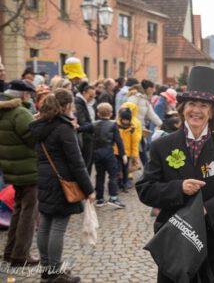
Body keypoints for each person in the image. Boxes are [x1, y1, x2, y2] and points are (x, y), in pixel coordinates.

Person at [136, 66, 214, 282]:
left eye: (203, 105)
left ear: (211, 112)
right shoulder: (163, 145)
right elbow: (145, 189)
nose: (196, 110)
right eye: (191, 104)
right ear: (182, 108)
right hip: (175, 242)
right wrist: (179, 188)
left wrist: (204, 210)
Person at [29, 89, 96, 283]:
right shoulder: (63, 128)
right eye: (72, 105)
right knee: (57, 227)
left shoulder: (40, 125)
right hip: (61, 181)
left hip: (44, 178)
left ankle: (47, 271)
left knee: (45, 225)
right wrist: (89, 189)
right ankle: (56, 272)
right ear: (66, 106)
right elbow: (76, 163)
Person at [0, 80, 39, 267]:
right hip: (28, 169)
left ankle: (10, 251)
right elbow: (33, 139)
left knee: (18, 208)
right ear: (23, 95)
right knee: (28, 213)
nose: (30, 97)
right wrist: (38, 123)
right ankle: (21, 254)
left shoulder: (4, 110)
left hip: (12, 167)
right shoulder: (21, 112)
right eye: (29, 94)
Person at [79, 103, 127, 208]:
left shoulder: (94, 124)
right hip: (109, 153)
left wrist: (74, 125)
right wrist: (123, 154)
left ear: (98, 114)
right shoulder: (113, 125)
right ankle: (113, 197)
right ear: (111, 114)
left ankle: (100, 199)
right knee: (113, 175)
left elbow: (82, 128)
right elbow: (119, 141)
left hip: (96, 154)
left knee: (99, 176)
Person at [115, 104, 142, 191]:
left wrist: (135, 155)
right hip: (116, 152)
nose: (125, 121)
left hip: (127, 153)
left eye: (127, 120)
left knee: (126, 169)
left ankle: (124, 183)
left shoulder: (132, 129)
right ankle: (118, 183)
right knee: (117, 169)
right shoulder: (116, 126)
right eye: (124, 119)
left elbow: (134, 143)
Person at [75, 82, 96, 173]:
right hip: (85, 137)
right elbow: (82, 123)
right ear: (84, 93)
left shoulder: (87, 103)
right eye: (90, 96)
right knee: (86, 163)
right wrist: (96, 125)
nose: (92, 99)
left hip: (88, 136)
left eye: (93, 96)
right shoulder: (79, 104)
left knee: (89, 163)